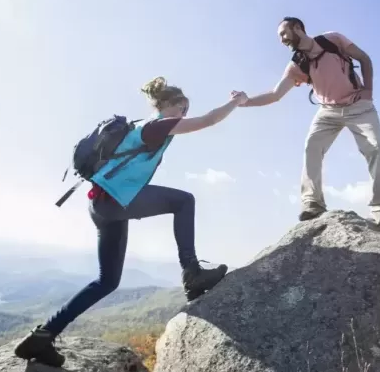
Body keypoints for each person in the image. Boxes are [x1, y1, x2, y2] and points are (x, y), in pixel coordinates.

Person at [13, 77, 248, 367]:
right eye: (180, 107)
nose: (184, 113)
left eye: (187, 109)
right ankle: (192, 272)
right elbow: (210, 120)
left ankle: (42, 336)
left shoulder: (141, 127)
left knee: (107, 282)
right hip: (113, 200)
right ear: (163, 105)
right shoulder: (156, 125)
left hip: (102, 203)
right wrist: (236, 101)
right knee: (184, 201)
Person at [240, 16, 380, 228]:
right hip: (328, 111)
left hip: (358, 106)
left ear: (297, 28)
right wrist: (247, 101)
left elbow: (364, 58)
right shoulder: (297, 64)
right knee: (311, 147)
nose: (282, 40)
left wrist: (368, 90)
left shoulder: (333, 40)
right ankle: (313, 203)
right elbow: (275, 95)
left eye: (284, 33)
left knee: (375, 148)